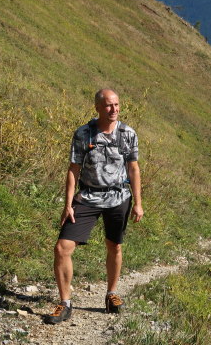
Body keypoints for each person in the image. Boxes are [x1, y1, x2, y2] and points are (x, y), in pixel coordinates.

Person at [44, 88, 144, 325]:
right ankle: (65, 302)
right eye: (109, 105)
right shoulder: (83, 134)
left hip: (119, 197)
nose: (114, 110)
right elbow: (73, 169)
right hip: (88, 197)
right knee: (62, 247)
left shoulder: (128, 133)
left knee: (114, 246)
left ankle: (111, 294)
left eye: (117, 105)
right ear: (98, 107)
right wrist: (68, 204)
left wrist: (138, 203)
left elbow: (133, 169)